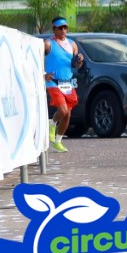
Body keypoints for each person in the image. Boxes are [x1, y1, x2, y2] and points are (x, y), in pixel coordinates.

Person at [44, 17, 84, 153]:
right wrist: (44, 74)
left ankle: (58, 142)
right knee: (63, 110)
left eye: (65, 27)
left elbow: (76, 65)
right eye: (59, 28)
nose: (63, 30)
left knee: (67, 115)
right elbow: (35, 60)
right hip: (53, 82)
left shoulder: (72, 44)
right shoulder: (47, 44)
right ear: (54, 29)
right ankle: (51, 123)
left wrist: (79, 61)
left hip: (67, 83)